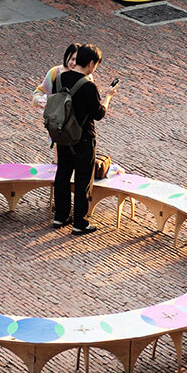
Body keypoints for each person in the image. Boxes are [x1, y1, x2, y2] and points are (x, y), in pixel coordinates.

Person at [52, 43, 116, 235]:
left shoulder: (60, 78)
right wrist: (108, 96)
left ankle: (60, 216)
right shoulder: (88, 86)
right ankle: (80, 222)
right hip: (83, 139)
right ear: (91, 63)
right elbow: (99, 114)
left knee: (62, 174)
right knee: (83, 180)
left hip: (63, 135)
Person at [32, 43, 79, 112]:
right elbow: (39, 91)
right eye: (72, 59)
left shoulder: (86, 77)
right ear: (67, 57)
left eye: (78, 60)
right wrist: (38, 100)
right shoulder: (55, 72)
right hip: (54, 116)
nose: (74, 63)